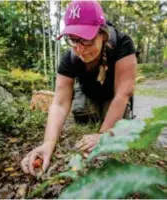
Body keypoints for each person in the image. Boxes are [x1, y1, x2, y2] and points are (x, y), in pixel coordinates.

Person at [21, 0, 137, 176]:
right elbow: (59, 103)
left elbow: (123, 93)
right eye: (73, 40)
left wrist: (103, 135)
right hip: (87, 93)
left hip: (113, 96)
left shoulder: (122, 43)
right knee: (82, 113)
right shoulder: (70, 57)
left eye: (87, 40)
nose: (80, 49)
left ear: (102, 34)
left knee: (120, 130)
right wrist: (48, 143)